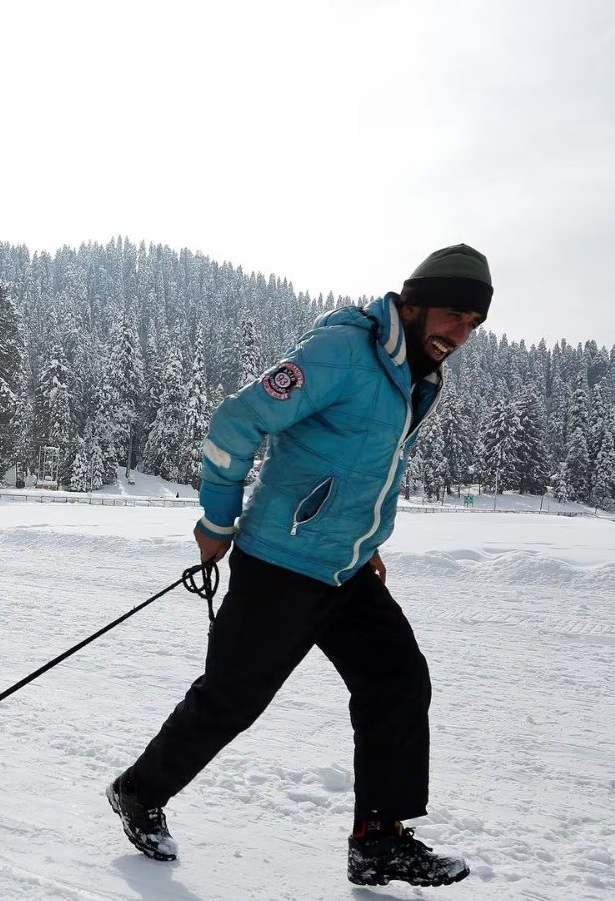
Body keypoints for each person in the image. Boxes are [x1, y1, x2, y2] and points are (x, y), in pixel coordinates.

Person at [106, 245, 491, 887]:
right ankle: (138, 792)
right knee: (232, 699)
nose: (462, 333)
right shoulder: (343, 352)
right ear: (415, 303)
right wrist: (216, 522)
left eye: (474, 324)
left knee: (397, 681)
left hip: (345, 571)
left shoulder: (417, 372)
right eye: (454, 315)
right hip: (279, 563)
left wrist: (366, 546)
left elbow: (369, 471)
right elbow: (236, 421)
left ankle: (379, 840)